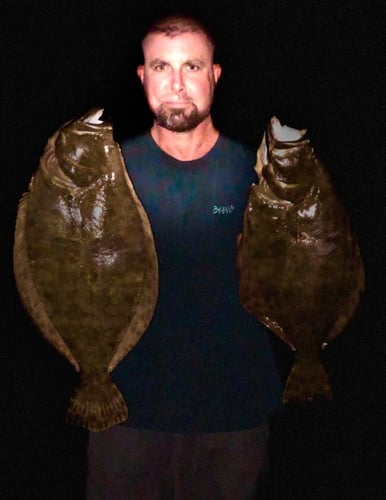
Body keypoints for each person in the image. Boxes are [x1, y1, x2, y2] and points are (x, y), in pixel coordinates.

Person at [86, 14, 282, 499]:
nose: (176, 84)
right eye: (161, 67)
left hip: (235, 416)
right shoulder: (103, 174)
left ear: (215, 75)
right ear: (142, 77)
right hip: (122, 413)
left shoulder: (260, 176)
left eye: (192, 66)